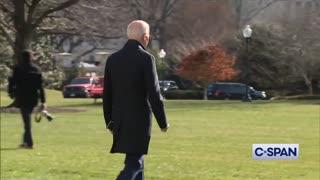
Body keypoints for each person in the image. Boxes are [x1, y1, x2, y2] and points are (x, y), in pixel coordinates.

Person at [103, 20, 169, 180]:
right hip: (139, 120)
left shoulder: (113, 59)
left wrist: (109, 121)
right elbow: (154, 93)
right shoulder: (146, 59)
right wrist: (163, 121)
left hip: (119, 120)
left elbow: (107, 94)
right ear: (145, 36)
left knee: (136, 162)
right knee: (135, 163)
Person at [8, 50, 46, 149]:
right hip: (33, 97)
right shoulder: (36, 69)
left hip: (22, 96)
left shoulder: (18, 68)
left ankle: (29, 143)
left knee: (26, 120)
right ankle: (25, 141)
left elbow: (13, 82)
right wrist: (43, 101)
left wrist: (11, 92)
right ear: (31, 57)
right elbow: (40, 87)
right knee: (27, 118)